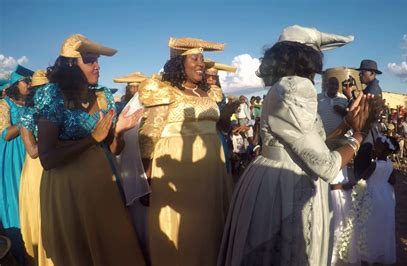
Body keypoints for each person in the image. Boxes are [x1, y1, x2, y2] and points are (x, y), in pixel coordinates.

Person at [218, 25, 380, 265]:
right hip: (287, 183)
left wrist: (346, 124)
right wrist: (360, 133)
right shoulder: (297, 88)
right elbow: (325, 165)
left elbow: (312, 144)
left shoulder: (280, 86)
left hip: (266, 176)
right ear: (307, 58)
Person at [35, 34, 145, 265]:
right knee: (81, 249)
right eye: (90, 61)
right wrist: (91, 139)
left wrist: (120, 132)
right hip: (68, 187)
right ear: (70, 65)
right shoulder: (52, 95)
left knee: (113, 244)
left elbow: (114, 149)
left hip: (104, 181)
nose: (97, 66)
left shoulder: (103, 94)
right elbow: (47, 159)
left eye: (98, 61)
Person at [138, 37, 234, 265]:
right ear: (179, 63)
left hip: (213, 173)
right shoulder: (166, 92)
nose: (201, 64)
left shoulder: (207, 93)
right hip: (178, 173)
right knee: (188, 231)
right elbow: (148, 136)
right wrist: (146, 178)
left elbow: (220, 126)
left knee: (211, 227)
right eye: (195, 58)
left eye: (202, 59)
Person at [317, 76, 357, 265]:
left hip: (341, 142)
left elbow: (353, 118)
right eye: (331, 84)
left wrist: (343, 111)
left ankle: (339, 202)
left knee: (340, 174)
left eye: (336, 84)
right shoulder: (318, 99)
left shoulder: (343, 100)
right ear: (326, 86)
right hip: (323, 143)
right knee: (323, 174)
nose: (333, 86)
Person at [17, 69, 54, 266]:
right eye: (42, 89)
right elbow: (32, 150)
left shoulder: (53, 111)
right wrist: (53, 138)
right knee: (42, 215)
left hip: (52, 165)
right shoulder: (27, 114)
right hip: (36, 170)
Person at [0, 64, 33, 264]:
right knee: (16, 198)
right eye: (25, 81)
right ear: (14, 84)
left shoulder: (29, 104)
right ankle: (21, 252)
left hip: (31, 154)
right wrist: (27, 120)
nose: (29, 84)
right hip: (13, 158)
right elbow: (5, 135)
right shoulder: (4, 105)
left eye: (30, 81)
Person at [360, 135, 399, 265]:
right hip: (386, 198)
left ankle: (369, 255)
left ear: (382, 150)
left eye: (376, 146)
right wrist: (383, 179)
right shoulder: (389, 164)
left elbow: (362, 179)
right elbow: (393, 181)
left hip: (373, 198)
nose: (373, 148)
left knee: (371, 227)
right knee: (383, 227)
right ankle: (381, 253)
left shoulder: (374, 165)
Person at [353, 59, 383, 181]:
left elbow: (361, 112)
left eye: (362, 72)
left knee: (361, 166)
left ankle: (361, 195)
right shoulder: (371, 88)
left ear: (371, 73)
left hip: (367, 131)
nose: (359, 75)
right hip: (369, 130)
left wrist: (351, 99)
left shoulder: (372, 90)